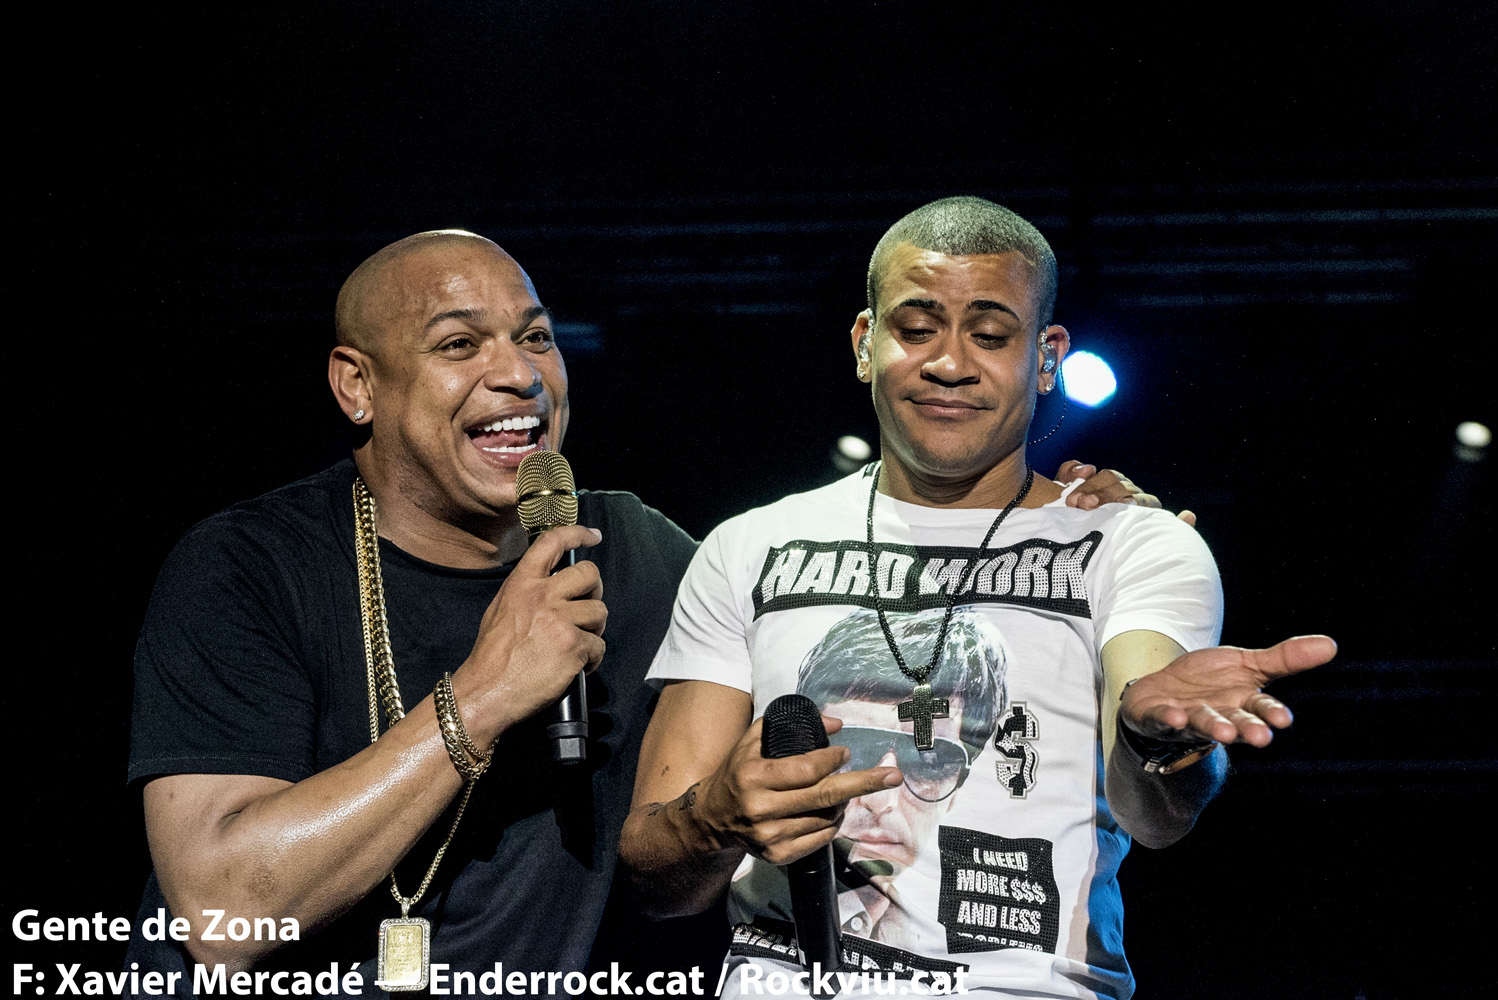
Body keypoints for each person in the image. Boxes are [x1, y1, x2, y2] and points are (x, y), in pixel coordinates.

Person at [125, 226, 1155, 994]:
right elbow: (222, 910)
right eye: (459, 344)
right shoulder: (249, 567)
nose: (518, 374)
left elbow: (855, 597)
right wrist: (482, 697)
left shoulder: (636, 550)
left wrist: (1067, 512)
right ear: (358, 384)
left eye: (535, 337)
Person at [619, 196, 1336, 999]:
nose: (950, 363)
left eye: (990, 335)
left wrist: (1156, 739)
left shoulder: (1133, 544)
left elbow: (1158, 817)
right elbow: (655, 875)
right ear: (864, 344)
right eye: (916, 329)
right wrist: (713, 817)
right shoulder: (747, 548)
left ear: (1047, 357)